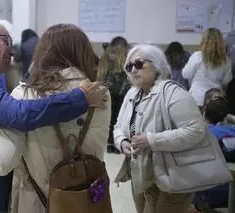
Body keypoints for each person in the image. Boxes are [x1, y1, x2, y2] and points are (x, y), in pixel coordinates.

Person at [0, 19, 107, 213]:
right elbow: (20, 114)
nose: (12, 51)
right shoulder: (100, 93)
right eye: (7, 41)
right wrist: (78, 99)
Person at [113, 44, 205, 213]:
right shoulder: (132, 94)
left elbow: (196, 130)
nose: (133, 69)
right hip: (140, 172)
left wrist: (151, 140)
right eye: (129, 66)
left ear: (156, 65)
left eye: (139, 64)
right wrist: (122, 141)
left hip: (173, 174)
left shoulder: (172, 93)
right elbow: (118, 126)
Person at [182, 28, 232, 108]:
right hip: (215, 100)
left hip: (196, 98)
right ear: (221, 42)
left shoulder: (197, 56)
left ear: (204, 41)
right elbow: (226, 81)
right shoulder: (226, 61)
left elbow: (185, 74)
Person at [97, 36, 131, 153]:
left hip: (108, 91)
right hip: (122, 94)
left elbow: (101, 74)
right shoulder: (126, 54)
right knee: (119, 120)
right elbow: (127, 78)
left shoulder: (106, 54)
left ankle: (109, 143)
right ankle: (118, 143)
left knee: (109, 119)